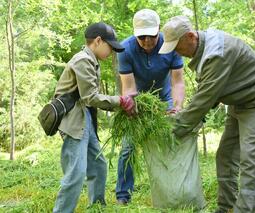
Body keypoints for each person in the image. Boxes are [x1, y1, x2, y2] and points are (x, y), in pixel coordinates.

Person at [159, 16, 255, 213]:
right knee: (225, 155)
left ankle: (246, 210)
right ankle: (226, 207)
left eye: (178, 47)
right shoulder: (205, 50)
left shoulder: (217, 53)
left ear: (190, 36)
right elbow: (207, 93)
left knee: (248, 158)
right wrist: (186, 116)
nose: (177, 53)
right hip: (238, 102)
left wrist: (175, 128)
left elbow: (205, 98)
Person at [52, 22, 136, 212]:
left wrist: (118, 104)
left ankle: (96, 207)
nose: (112, 52)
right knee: (76, 173)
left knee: (98, 165)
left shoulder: (91, 60)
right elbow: (90, 96)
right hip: (73, 121)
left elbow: (89, 100)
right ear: (98, 41)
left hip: (85, 118)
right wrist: (120, 101)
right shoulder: (82, 60)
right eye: (110, 47)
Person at [115, 9, 185, 204]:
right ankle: (123, 195)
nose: (147, 41)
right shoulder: (125, 49)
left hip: (164, 100)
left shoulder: (170, 45)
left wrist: (178, 106)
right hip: (137, 102)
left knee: (168, 144)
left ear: (158, 31)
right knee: (128, 147)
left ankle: (171, 190)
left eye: (151, 36)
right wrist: (132, 107)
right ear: (135, 33)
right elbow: (128, 86)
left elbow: (178, 82)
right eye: (142, 36)